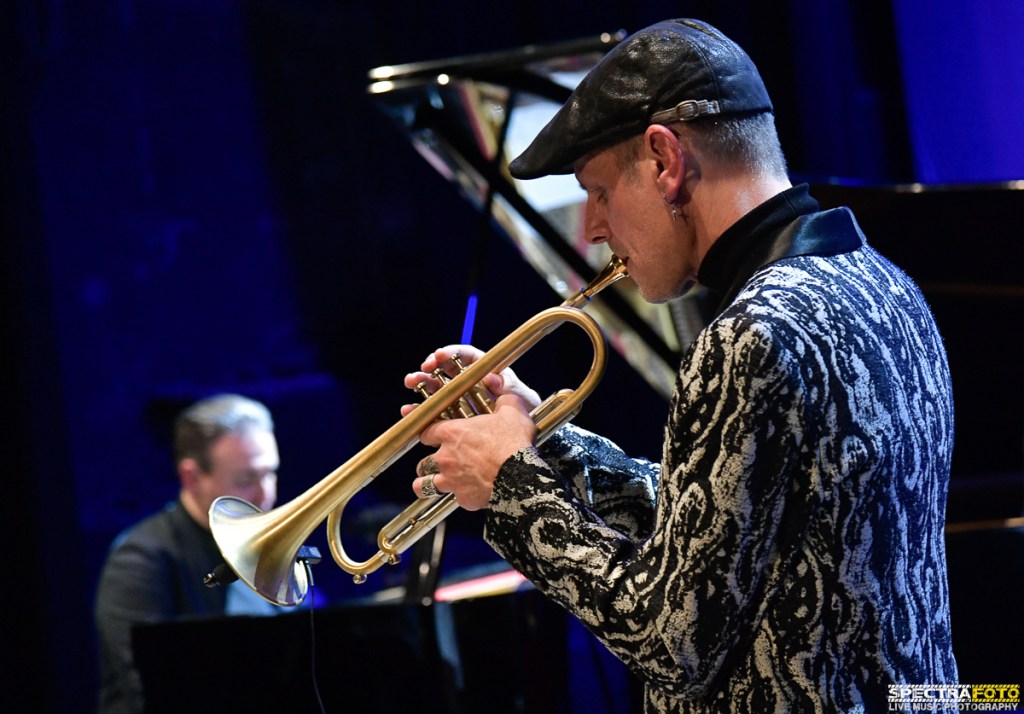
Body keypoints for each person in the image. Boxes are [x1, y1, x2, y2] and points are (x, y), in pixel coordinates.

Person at [402, 18, 958, 713]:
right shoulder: (886, 284)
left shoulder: (750, 334)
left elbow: (670, 642)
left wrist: (510, 484)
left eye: (599, 192)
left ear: (665, 159)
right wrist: (541, 442)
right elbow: (721, 527)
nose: (593, 229)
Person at [94, 393, 286, 714]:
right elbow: (154, 688)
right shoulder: (140, 561)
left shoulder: (270, 548)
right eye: (245, 479)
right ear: (191, 478)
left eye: (270, 473)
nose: (265, 494)